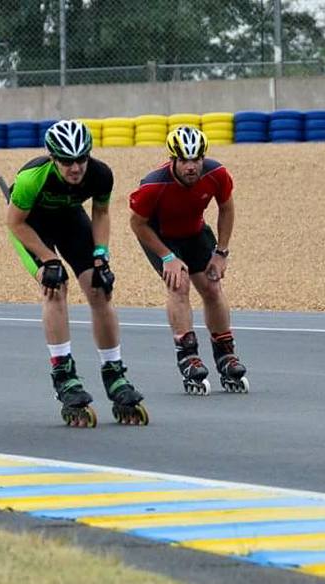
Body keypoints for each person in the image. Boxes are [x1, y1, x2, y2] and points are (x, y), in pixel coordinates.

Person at [5, 119, 148, 426]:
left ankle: (114, 373)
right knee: (55, 286)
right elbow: (15, 223)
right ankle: (63, 374)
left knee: (100, 288)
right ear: (53, 158)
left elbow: (101, 212)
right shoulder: (32, 178)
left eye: (81, 159)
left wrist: (101, 256)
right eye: (67, 161)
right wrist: (46, 259)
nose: (75, 168)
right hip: (32, 226)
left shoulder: (100, 174)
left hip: (70, 220)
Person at [128, 126, 248, 394]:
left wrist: (221, 252)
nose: (191, 167)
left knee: (212, 286)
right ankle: (188, 355)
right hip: (161, 237)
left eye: (196, 160)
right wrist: (167, 257)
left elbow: (226, 208)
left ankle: (226, 353)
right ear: (173, 160)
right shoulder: (153, 185)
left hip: (194, 232)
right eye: (184, 160)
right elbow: (138, 224)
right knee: (178, 284)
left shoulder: (217, 174)